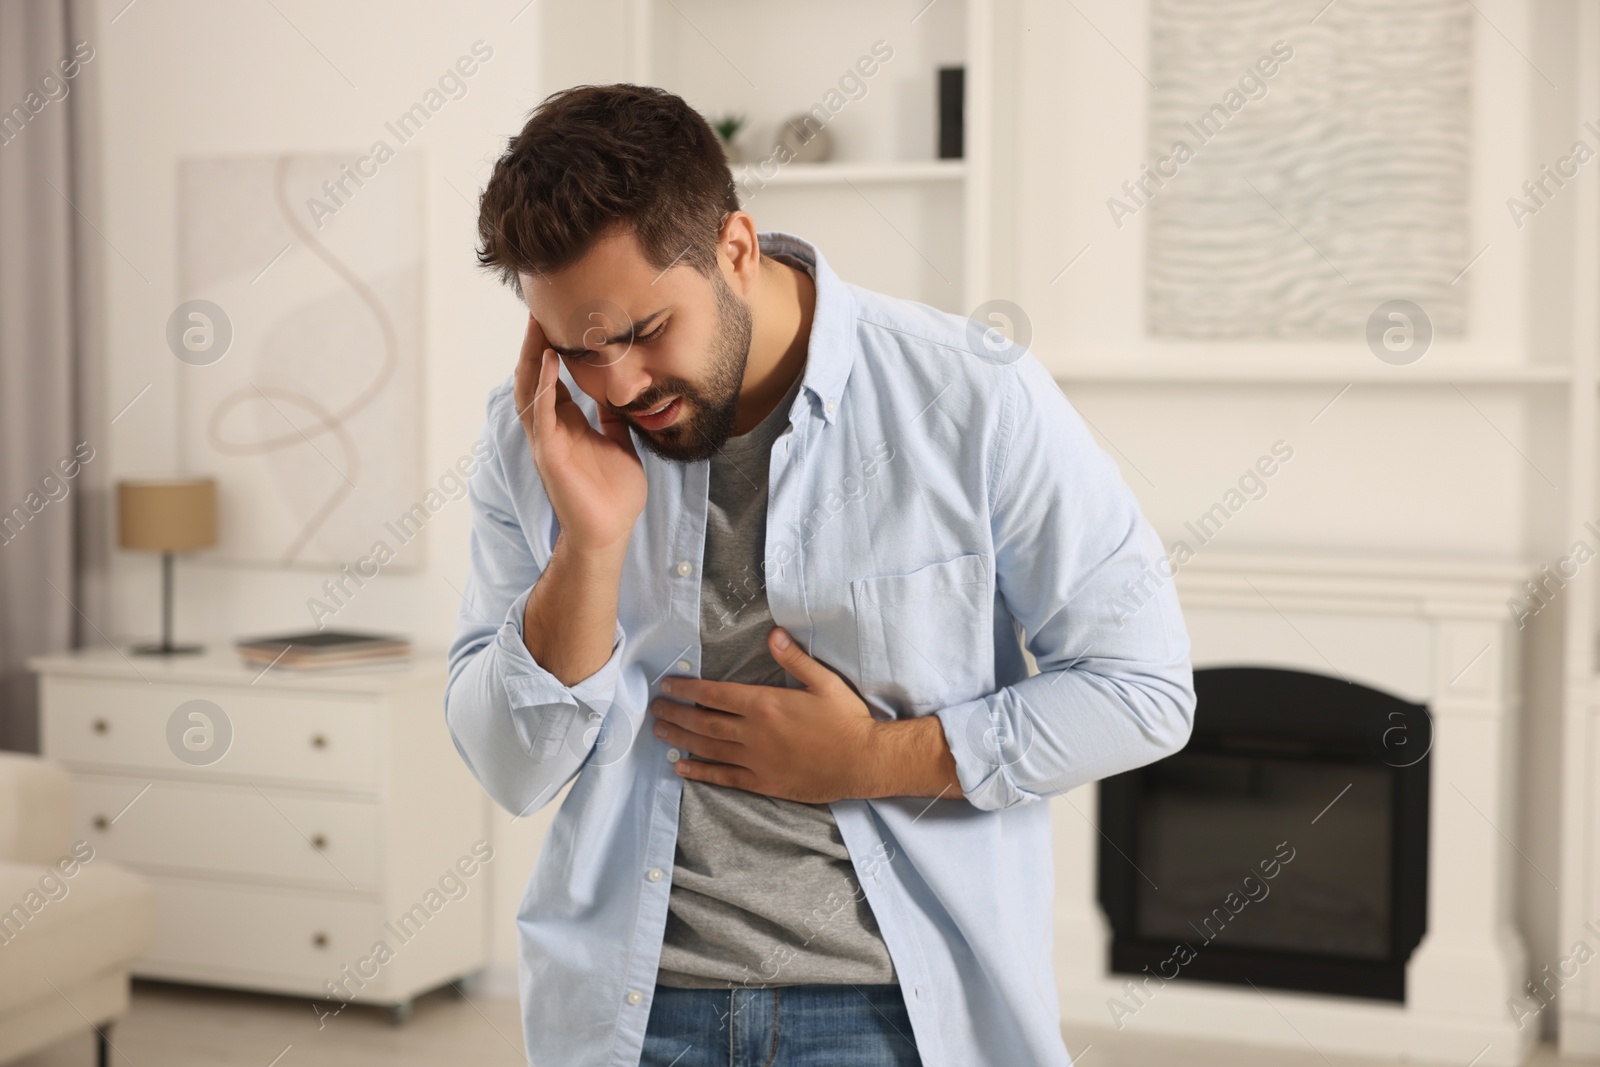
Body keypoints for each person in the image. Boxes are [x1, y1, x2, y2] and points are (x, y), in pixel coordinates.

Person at [446, 82, 1196, 1067]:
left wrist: (875, 759)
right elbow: (509, 765)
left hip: (887, 1011)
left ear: (736, 249)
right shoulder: (537, 436)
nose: (619, 384)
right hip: (627, 1015)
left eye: (640, 332)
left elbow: (1143, 690)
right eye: (580, 349)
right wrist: (588, 545)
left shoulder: (968, 395)